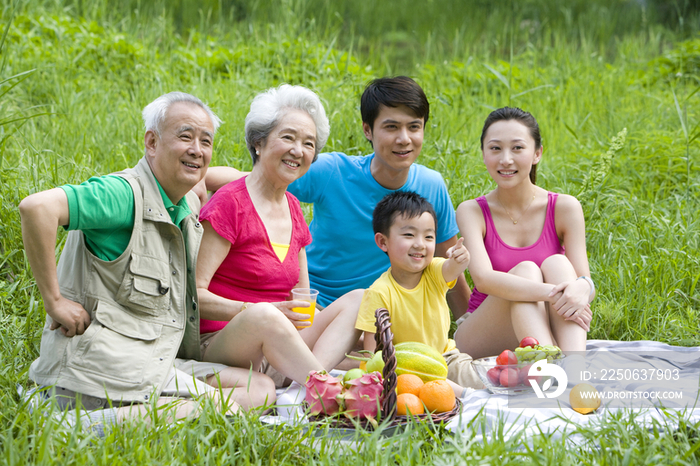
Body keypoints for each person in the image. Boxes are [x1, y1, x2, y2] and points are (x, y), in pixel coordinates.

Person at [19, 92, 275, 434]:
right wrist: (54, 302)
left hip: (153, 359)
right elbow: (37, 208)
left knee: (259, 389)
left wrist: (256, 175)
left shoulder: (183, 208)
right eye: (185, 136)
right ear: (151, 143)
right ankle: (68, 424)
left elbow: (236, 181)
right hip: (100, 367)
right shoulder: (122, 194)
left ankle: (116, 417)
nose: (197, 149)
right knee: (213, 405)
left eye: (206, 141)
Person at [204, 76, 471, 318]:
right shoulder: (334, 172)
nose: (404, 139)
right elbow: (252, 179)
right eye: (391, 127)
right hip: (319, 305)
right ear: (368, 130)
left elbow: (448, 260)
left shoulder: (431, 185)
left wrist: (464, 322)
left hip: (384, 312)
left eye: (414, 127)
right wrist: (195, 181)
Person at [195, 84, 363, 391]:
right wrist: (255, 309)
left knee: (360, 300)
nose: (299, 150)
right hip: (223, 341)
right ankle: (326, 390)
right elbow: (193, 294)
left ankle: (305, 384)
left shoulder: (294, 208)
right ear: (259, 142)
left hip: (278, 341)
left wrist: (355, 335)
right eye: (288, 137)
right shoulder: (230, 202)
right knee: (264, 315)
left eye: (309, 143)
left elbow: (302, 303)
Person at [454, 107, 593, 360]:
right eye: (495, 148)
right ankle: (553, 370)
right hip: (483, 331)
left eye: (517, 148)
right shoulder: (471, 211)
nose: (505, 159)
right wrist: (555, 293)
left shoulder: (565, 207)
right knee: (526, 271)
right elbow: (484, 279)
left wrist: (583, 288)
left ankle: (573, 367)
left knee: (559, 262)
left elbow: (584, 281)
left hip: (545, 321)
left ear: (537, 153)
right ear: (484, 154)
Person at [355, 192, 483, 397]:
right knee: (440, 392)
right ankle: (467, 396)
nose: (420, 244)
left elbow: (451, 268)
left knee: (483, 380)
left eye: (429, 236)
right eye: (409, 235)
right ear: (383, 242)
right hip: (408, 368)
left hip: (446, 357)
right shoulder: (379, 292)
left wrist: (460, 259)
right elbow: (373, 355)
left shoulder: (433, 271)